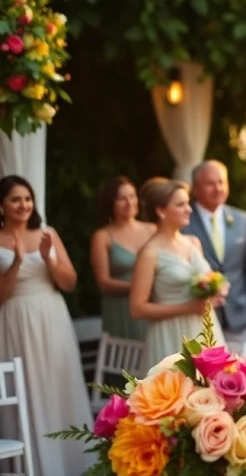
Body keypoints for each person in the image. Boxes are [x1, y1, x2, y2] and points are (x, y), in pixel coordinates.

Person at [0, 175, 94, 474]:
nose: (23, 205)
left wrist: (48, 261)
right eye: (15, 199)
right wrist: (15, 262)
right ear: (1, 205)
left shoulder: (47, 233)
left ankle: (72, 463)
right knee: (26, 388)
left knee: (59, 384)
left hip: (52, 318)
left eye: (27, 199)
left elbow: (70, 282)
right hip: (15, 319)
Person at [131, 178, 226, 367]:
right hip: (170, 334)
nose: (189, 209)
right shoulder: (149, 253)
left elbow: (206, 279)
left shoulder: (193, 242)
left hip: (205, 328)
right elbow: (137, 308)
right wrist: (189, 308)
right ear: (161, 211)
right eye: (181, 204)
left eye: (188, 203)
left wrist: (217, 288)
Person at [182, 160, 246, 349]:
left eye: (222, 182)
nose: (218, 188)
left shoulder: (242, 219)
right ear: (196, 188)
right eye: (210, 183)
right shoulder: (184, 222)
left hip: (239, 317)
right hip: (200, 318)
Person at [90, 176, 155, 341]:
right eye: (122, 198)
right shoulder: (102, 236)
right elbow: (103, 282)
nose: (129, 202)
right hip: (120, 309)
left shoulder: (152, 230)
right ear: (111, 203)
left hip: (151, 304)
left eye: (132, 196)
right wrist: (138, 287)